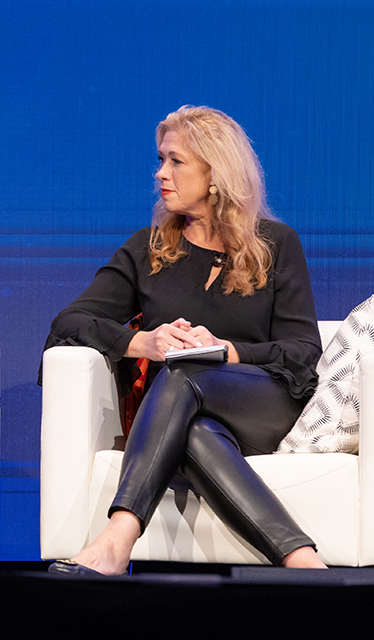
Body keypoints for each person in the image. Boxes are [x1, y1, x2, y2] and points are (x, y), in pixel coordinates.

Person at [42, 106, 327, 575]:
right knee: (191, 422)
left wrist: (228, 351)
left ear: (216, 172)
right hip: (181, 415)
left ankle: (118, 536)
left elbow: (301, 353)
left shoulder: (277, 245)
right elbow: (70, 321)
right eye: (160, 160)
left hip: (263, 403)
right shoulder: (149, 248)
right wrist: (145, 343)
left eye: (175, 162)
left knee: (185, 371)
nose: (161, 174)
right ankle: (303, 560)